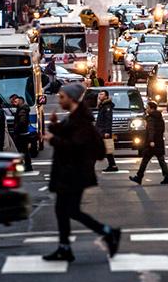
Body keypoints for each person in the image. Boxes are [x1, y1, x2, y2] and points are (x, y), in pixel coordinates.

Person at [43, 83, 121, 262]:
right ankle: (65, 247)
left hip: (75, 172)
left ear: (71, 98)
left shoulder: (81, 120)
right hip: (69, 171)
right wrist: (54, 126)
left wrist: (53, 139)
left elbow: (75, 146)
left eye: (61, 97)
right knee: (64, 210)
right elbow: (68, 134)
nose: (58, 99)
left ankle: (108, 233)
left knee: (69, 210)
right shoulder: (75, 117)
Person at [129, 101, 168, 184]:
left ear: (152, 109)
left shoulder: (151, 118)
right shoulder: (159, 117)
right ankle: (167, 176)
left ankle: (139, 177)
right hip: (159, 141)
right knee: (160, 159)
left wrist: (151, 140)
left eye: (147, 108)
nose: (146, 109)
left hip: (152, 143)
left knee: (145, 160)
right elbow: (162, 129)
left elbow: (151, 130)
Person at [96, 90, 118, 172]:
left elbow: (108, 120)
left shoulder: (107, 106)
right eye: (99, 94)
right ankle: (113, 165)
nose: (99, 96)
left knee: (106, 148)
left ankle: (112, 165)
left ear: (106, 97)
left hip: (103, 131)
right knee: (106, 149)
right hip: (100, 130)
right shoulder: (102, 105)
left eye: (102, 94)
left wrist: (107, 132)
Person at [12, 95, 33, 171]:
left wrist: (16, 129)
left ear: (20, 101)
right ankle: (27, 166)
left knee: (22, 151)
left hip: (22, 134)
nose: (13, 103)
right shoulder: (22, 109)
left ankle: (26, 166)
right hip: (24, 133)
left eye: (15, 101)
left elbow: (22, 122)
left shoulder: (22, 110)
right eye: (12, 102)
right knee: (24, 151)